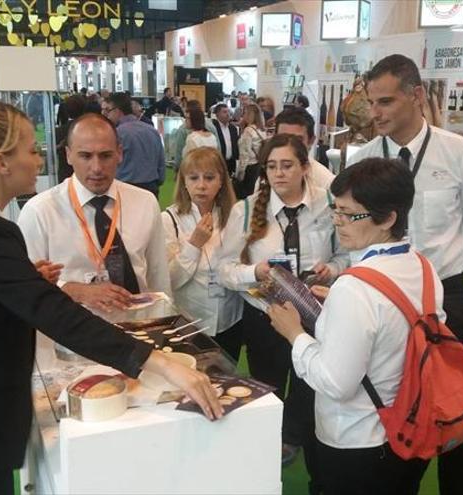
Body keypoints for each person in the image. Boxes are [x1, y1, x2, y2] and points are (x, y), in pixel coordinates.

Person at [0, 90, 222, 494]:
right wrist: (161, 364)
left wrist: (26, 285)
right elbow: (59, 317)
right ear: (1, 163)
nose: (39, 160)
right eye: (31, 150)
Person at [346, 54, 463, 495]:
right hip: (380, 295)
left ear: (416, 95)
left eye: (386, 101)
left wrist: (434, 282)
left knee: (450, 413)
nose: (375, 113)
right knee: (391, 402)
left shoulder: (460, 154)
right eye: (372, 102)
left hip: (444, 296)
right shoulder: (363, 160)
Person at [268, 157, 435, 495]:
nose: (337, 222)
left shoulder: (356, 288)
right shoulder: (422, 266)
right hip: (412, 427)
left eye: (349, 214)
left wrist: (294, 334)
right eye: (336, 210)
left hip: (357, 439)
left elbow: (336, 383)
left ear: (388, 217)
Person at [218, 134, 347, 481]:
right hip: (266, 319)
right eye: (271, 166)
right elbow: (224, 268)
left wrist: (331, 269)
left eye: (287, 165)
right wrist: (253, 272)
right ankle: (263, 464)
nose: (279, 173)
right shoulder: (244, 210)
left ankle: (305, 454)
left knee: (310, 391)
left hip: (316, 317)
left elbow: (346, 254)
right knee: (267, 390)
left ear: (306, 167)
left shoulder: (329, 203)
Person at [18, 113, 171, 312]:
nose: (97, 168)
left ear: (120, 154)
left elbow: (158, 276)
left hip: (139, 328)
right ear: (68, 155)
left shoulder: (144, 202)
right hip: (73, 335)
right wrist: (76, 291)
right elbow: (25, 288)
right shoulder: (40, 211)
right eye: (86, 156)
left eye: (106, 155)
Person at [161, 147, 243, 358]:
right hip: (189, 321)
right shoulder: (169, 219)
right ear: (184, 182)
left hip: (230, 319)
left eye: (209, 177)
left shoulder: (235, 215)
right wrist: (194, 244)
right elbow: (170, 281)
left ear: (221, 181)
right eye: (193, 178)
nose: (201, 185)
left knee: (228, 379)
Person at [103, 92, 166, 198]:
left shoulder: (117, 134)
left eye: (108, 110)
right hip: (151, 188)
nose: (105, 114)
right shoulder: (152, 130)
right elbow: (161, 162)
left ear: (117, 111)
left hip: (125, 189)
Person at [269, 107, 334, 190]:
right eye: (283, 138)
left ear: (311, 141)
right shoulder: (266, 176)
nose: (289, 145)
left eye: (297, 140)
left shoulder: (325, 182)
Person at [235, 103, 267, 199]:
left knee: (244, 196)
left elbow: (244, 154)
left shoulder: (248, 131)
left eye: (245, 113)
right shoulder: (261, 129)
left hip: (248, 167)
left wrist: (240, 172)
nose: (243, 115)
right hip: (258, 165)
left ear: (249, 114)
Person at [211, 103, 240, 176]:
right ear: (217, 114)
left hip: (231, 163)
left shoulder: (233, 128)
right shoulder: (213, 128)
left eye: (228, 112)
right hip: (218, 163)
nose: (228, 114)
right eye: (224, 112)